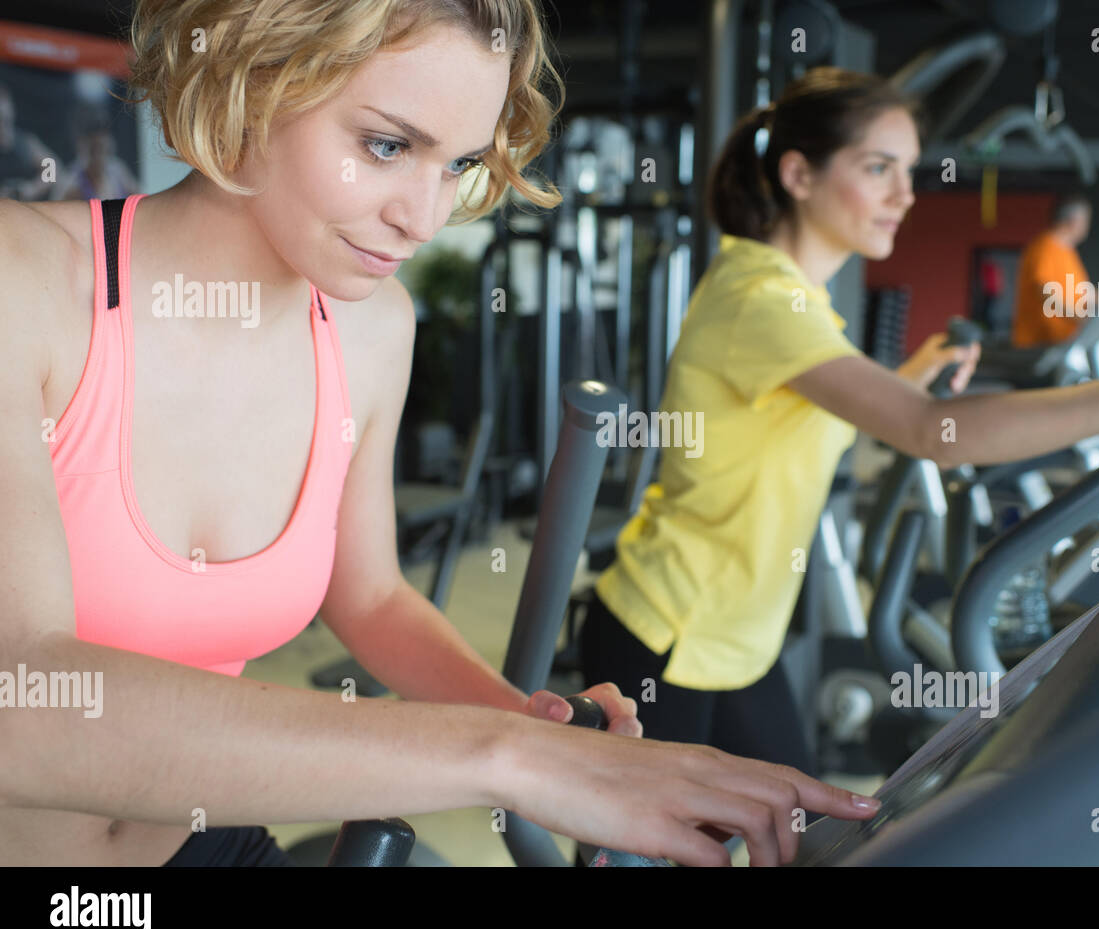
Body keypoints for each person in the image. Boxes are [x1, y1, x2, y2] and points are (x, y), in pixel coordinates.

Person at [0, 0, 885, 869]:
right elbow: (23, 706)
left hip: (198, 840)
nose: (422, 219)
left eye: (457, 162)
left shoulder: (373, 327)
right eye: (386, 145)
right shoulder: (24, 283)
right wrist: (509, 759)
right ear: (250, 80)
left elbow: (372, 596)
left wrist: (533, 727)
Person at [578, 68, 1099, 775]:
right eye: (879, 168)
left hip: (736, 641)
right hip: (669, 635)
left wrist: (906, 375)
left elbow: (799, 418)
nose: (904, 194)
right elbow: (930, 432)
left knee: (797, 840)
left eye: (910, 170)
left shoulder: (789, 295)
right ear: (799, 175)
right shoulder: (764, 300)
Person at [1010, 192, 1092, 347]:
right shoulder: (1045, 248)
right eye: (1086, 220)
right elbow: (1045, 292)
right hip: (1040, 347)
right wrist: (1081, 318)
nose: (1087, 226)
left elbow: (1084, 292)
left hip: (1064, 344)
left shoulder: (1068, 252)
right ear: (1074, 221)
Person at [51, 113, 140, 201]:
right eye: (93, 150)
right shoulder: (71, 180)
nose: (98, 157)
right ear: (81, 147)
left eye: (102, 149)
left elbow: (140, 198)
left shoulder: (118, 170)